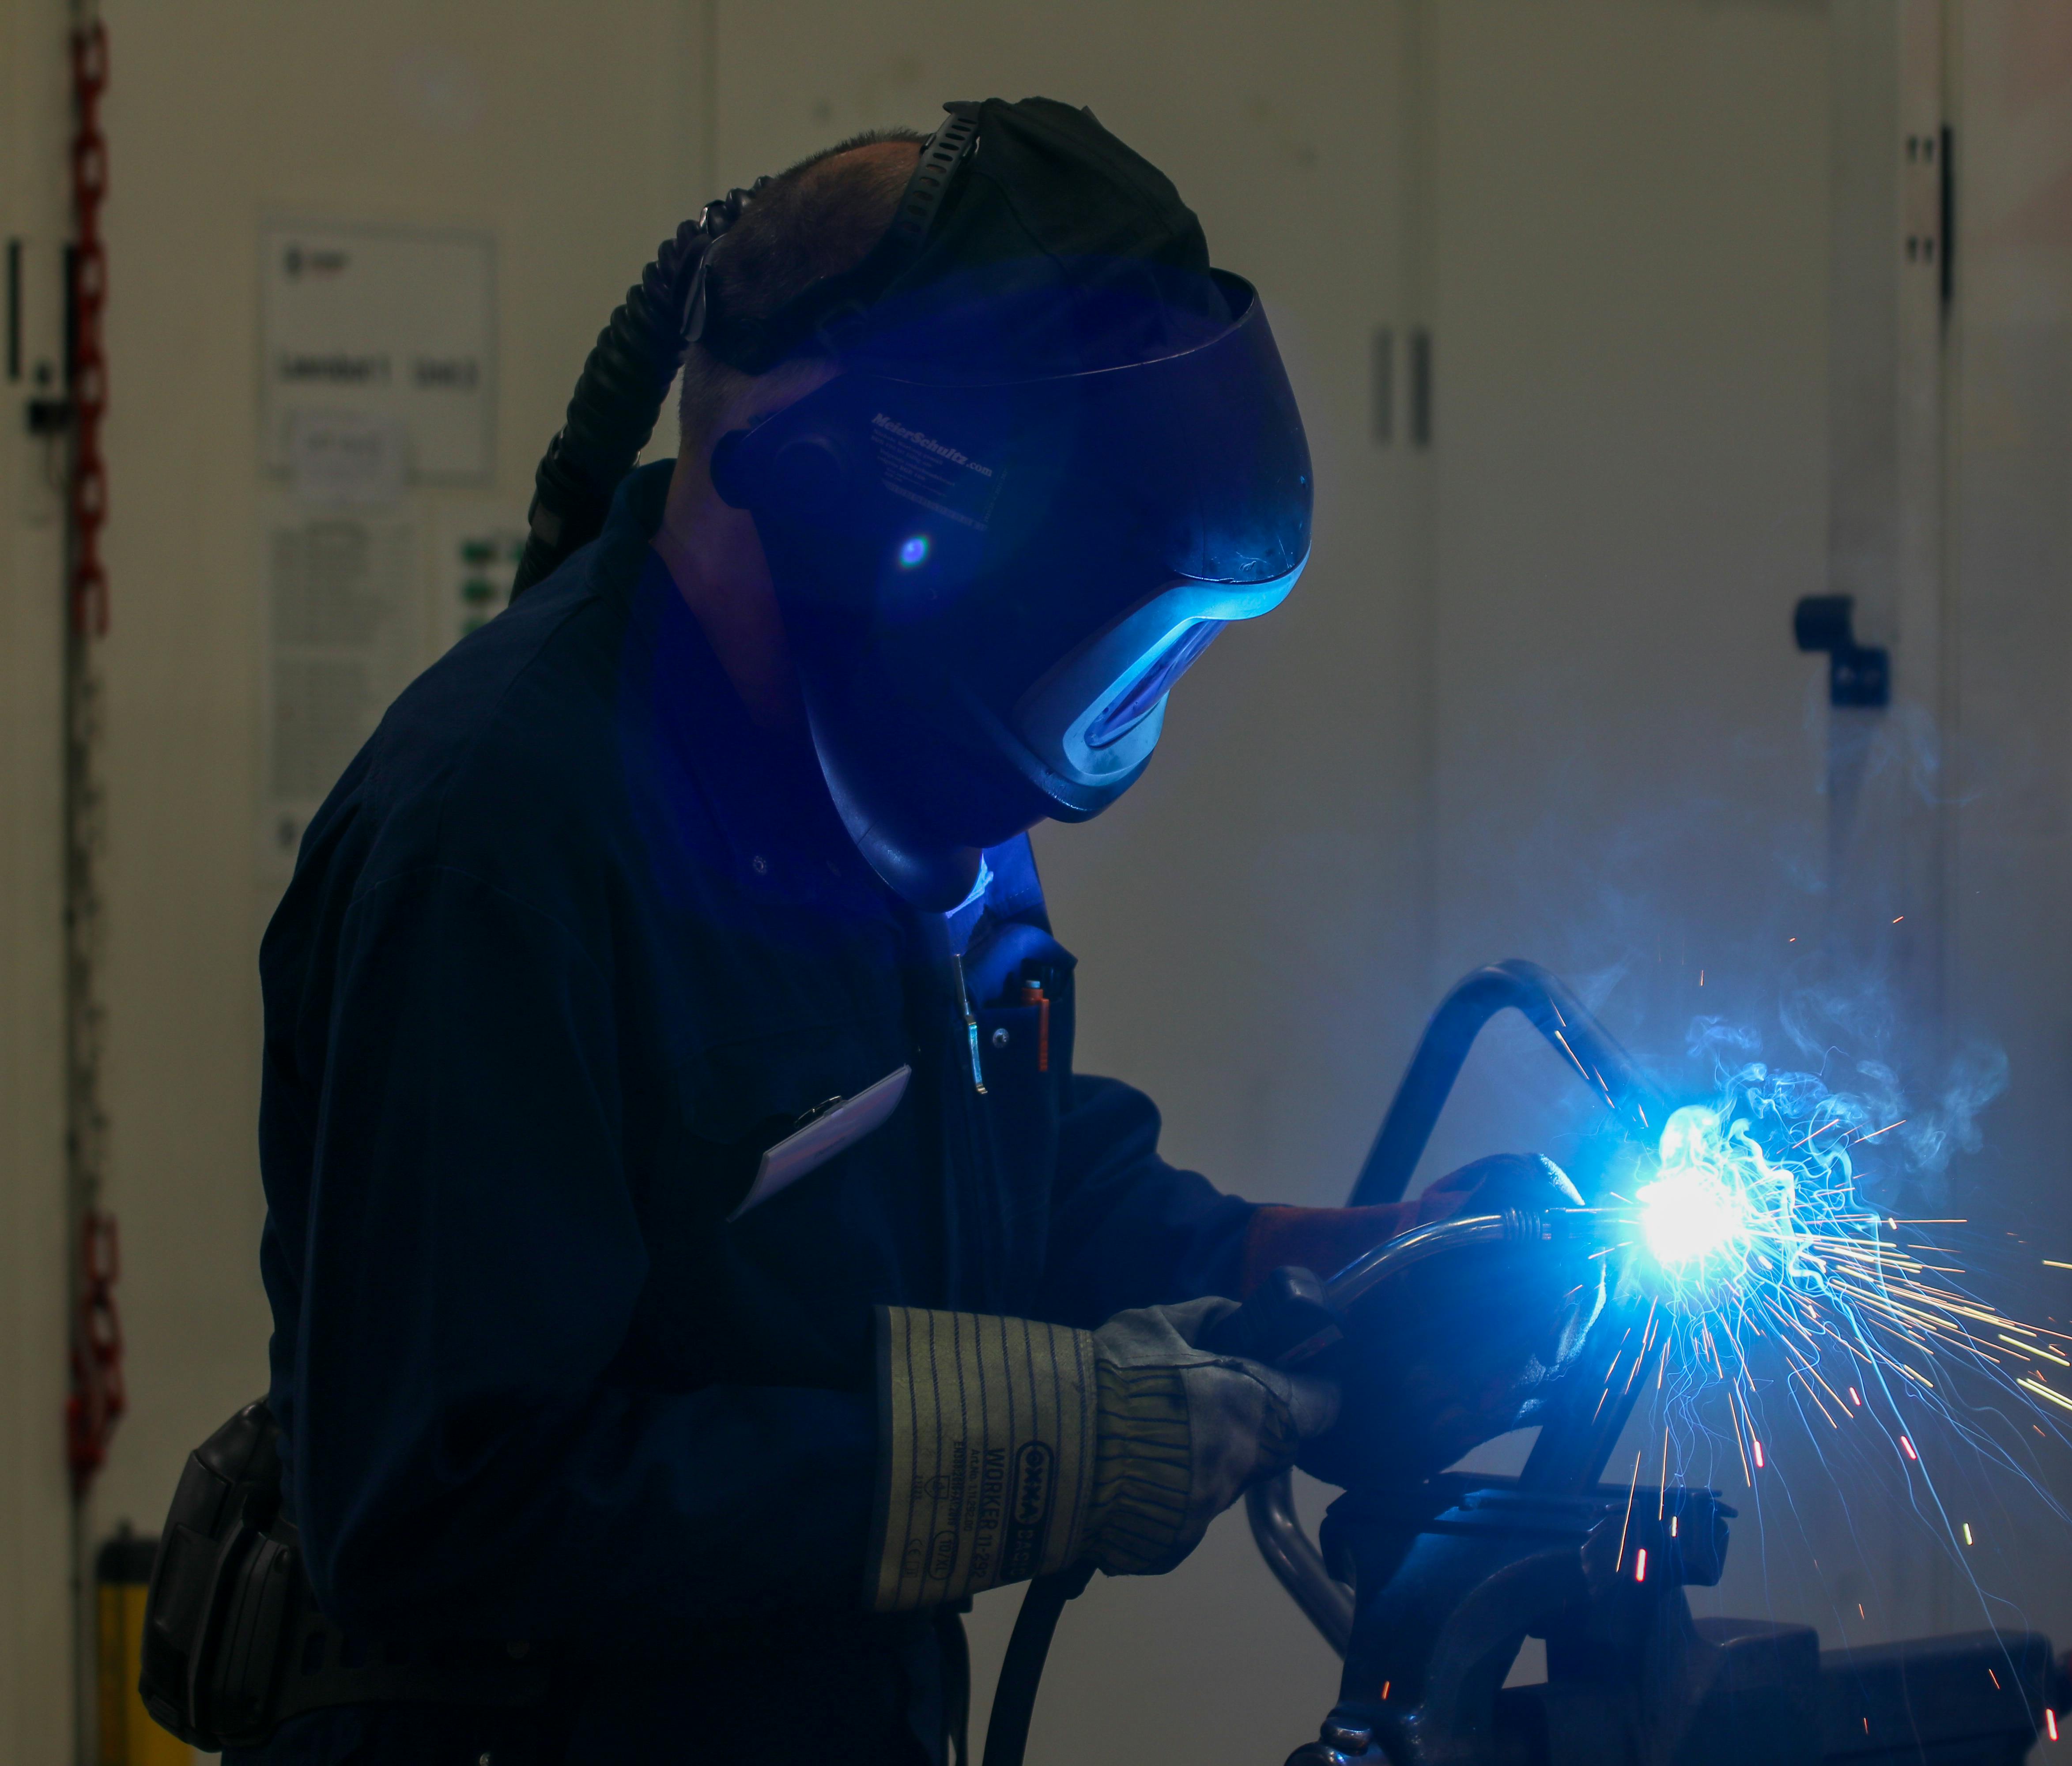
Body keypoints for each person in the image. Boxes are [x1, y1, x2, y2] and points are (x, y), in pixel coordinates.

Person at [234, 99, 1547, 1764]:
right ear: (851, 512)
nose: (1126, 706)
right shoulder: (497, 845)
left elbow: (989, 1164)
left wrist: (1305, 1268)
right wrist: (1008, 1456)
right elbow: (438, 1501)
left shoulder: (893, 783)